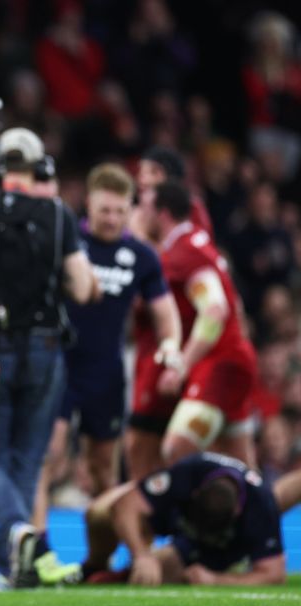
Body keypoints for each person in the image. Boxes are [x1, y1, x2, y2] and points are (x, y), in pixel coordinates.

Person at [0, 127, 94, 591]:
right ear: (39, 168)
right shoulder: (57, 214)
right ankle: (11, 557)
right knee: (27, 461)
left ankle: (13, 541)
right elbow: (82, 287)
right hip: (44, 346)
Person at [40, 164, 181, 507]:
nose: (112, 219)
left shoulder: (142, 257)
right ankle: (36, 537)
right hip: (59, 365)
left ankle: (104, 541)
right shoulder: (66, 242)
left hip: (106, 372)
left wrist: (171, 347)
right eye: (105, 210)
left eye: (120, 211)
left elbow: (166, 314)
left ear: (131, 208)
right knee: (48, 457)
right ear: (89, 203)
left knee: (104, 468)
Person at [138, 180, 258, 467]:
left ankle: (202, 501)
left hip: (220, 364)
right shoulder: (198, 241)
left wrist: (181, 365)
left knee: (176, 450)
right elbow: (234, 305)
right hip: (234, 359)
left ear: (162, 214)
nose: (139, 214)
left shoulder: (185, 253)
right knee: (242, 464)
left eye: (144, 208)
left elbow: (214, 311)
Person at [126, 146, 214, 480]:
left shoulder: (189, 215)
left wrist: (140, 239)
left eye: (151, 173)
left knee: (148, 445)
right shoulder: (134, 213)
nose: (142, 180)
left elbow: (183, 266)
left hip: (178, 341)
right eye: (141, 173)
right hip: (146, 338)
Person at [81, 452, 285, 586]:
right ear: (195, 493)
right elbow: (125, 505)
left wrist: (216, 580)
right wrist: (141, 554)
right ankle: (94, 566)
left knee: (163, 570)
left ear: (237, 512)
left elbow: (274, 574)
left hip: (218, 553)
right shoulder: (190, 471)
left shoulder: (262, 504)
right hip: (180, 535)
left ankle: (124, 576)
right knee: (98, 514)